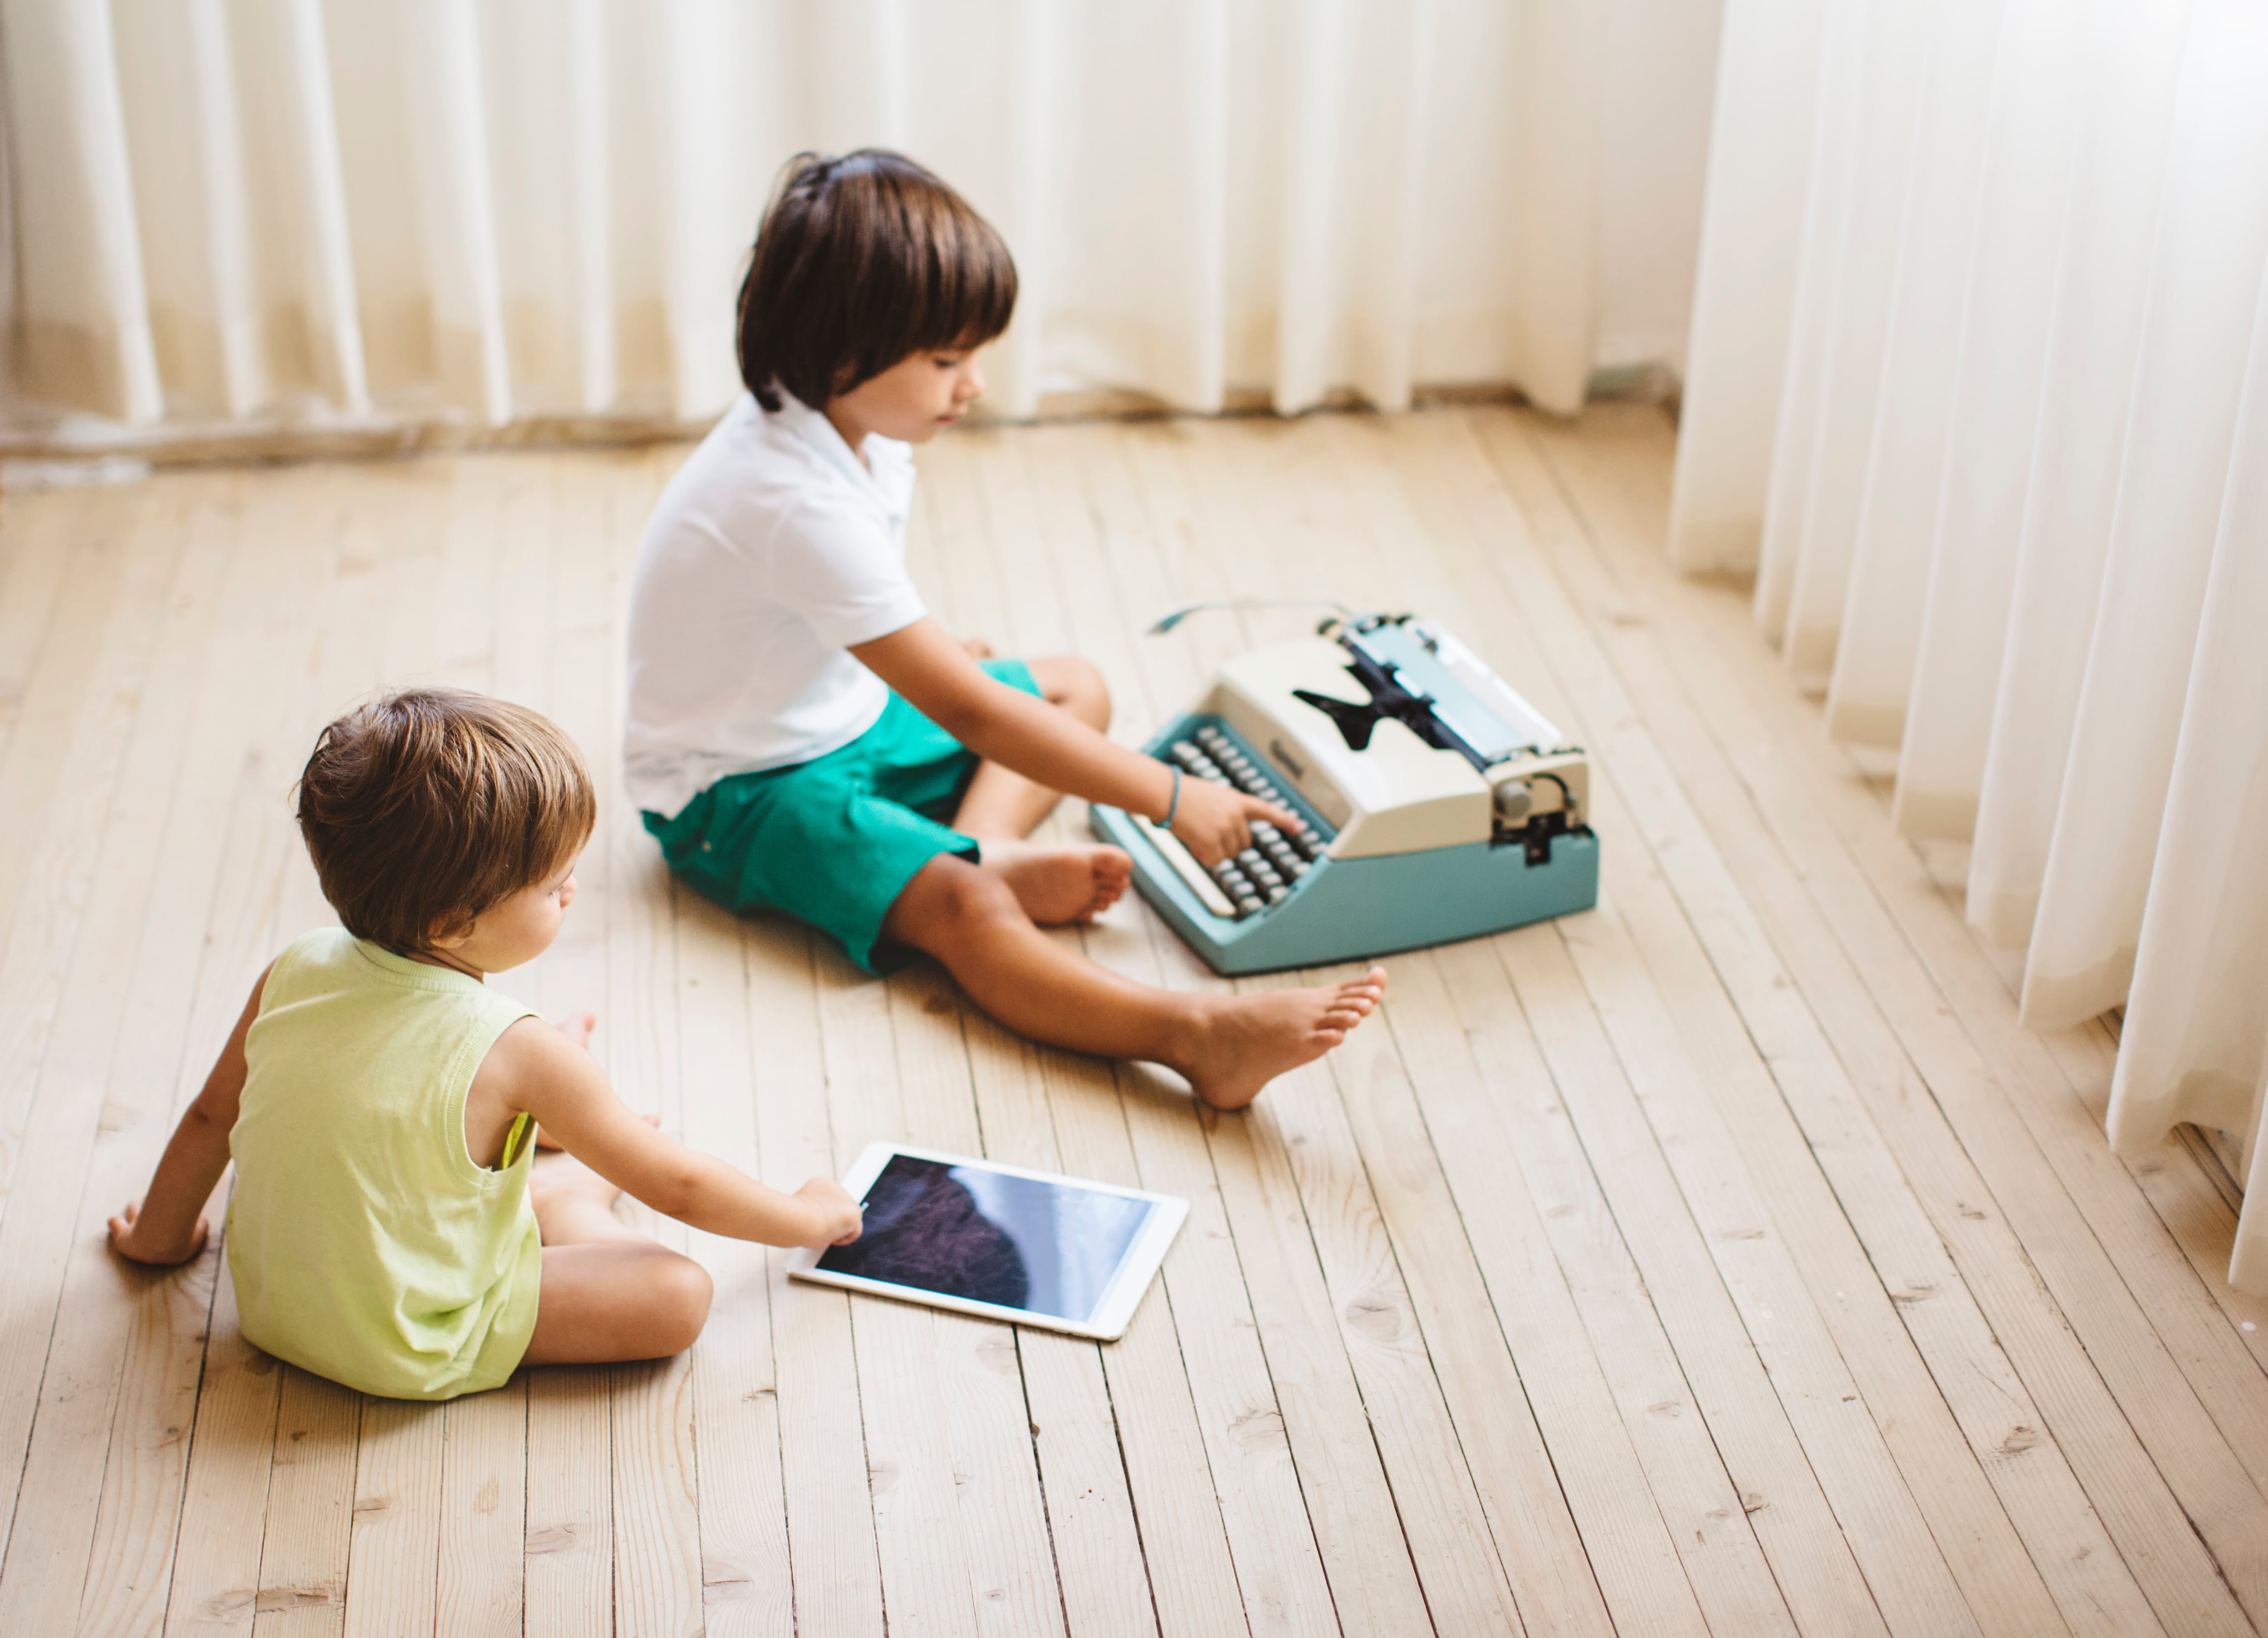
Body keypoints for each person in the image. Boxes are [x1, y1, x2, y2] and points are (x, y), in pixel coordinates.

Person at [626, 150, 1386, 1110]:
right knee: (963, 907)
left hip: (838, 717)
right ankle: (1195, 1036)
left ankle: (986, 843)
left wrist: (938, 653)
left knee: (1075, 686)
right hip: (738, 792)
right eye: (946, 361)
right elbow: (974, 715)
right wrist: (1172, 796)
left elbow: (853, 609)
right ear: (838, 353)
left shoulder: (854, 429)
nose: (973, 383)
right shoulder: (786, 498)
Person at [107, 689, 861, 1400]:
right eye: (551, 885)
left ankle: (548, 1179)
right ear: (451, 925)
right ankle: (567, 1206)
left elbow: (213, 1118)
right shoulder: (517, 1051)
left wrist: (157, 1242)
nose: (570, 891)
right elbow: (681, 1187)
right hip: (408, 1343)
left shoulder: (295, 968)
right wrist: (810, 1217)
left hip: (275, 1315)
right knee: (678, 1293)